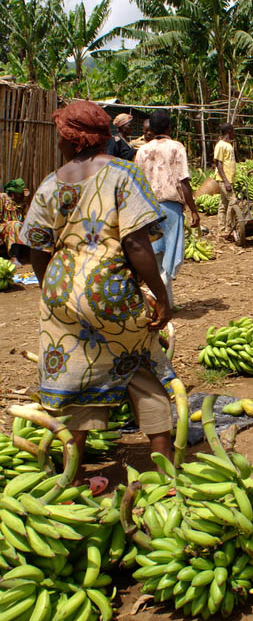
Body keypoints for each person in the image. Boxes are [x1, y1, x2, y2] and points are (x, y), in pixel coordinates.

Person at [20, 100, 175, 488]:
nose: (58, 143)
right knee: (141, 367)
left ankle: (70, 478)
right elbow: (137, 244)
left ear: (73, 140)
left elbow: (37, 247)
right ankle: (166, 472)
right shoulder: (123, 174)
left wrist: (52, 286)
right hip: (110, 291)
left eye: (60, 136)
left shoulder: (52, 182)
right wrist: (161, 295)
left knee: (75, 376)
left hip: (61, 291)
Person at [136, 109, 200, 308]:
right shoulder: (176, 147)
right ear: (169, 127)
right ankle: (160, 301)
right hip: (170, 207)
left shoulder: (142, 151)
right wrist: (194, 210)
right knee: (171, 256)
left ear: (151, 129)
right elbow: (183, 182)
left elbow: (136, 183)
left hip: (147, 208)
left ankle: (166, 303)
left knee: (156, 256)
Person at [213, 122, 238, 240]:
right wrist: (226, 181)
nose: (234, 133)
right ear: (228, 132)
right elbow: (218, 164)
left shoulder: (228, 145)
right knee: (233, 200)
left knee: (223, 204)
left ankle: (221, 229)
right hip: (224, 179)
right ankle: (228, 229)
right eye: (233, 131)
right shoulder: (220, 145)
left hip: (229, 179)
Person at [0, 178, 30, 265]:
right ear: (13, 194)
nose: (23, 196)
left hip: (16, 230)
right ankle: (14, 256)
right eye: (20, 194)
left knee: (20, 226)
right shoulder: (2, 198)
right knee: (15, 225)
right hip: (2, 228)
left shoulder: (22, 204)